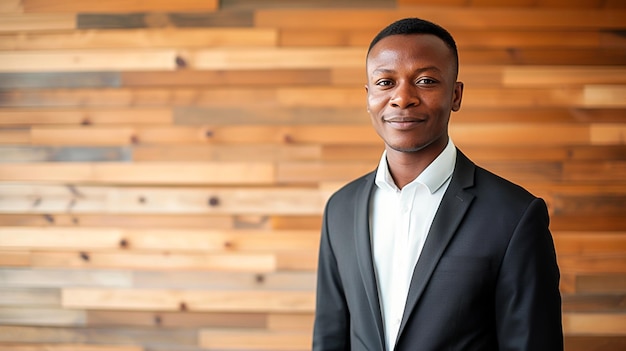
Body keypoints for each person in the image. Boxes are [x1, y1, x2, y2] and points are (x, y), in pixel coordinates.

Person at [312, 17, 563, 351]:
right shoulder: (340, 209)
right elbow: (330, 338)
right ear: (368, 95)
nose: (402, 98)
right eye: (385, 82)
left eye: (426, 80)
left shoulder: (515, 215)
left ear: (455, 95)